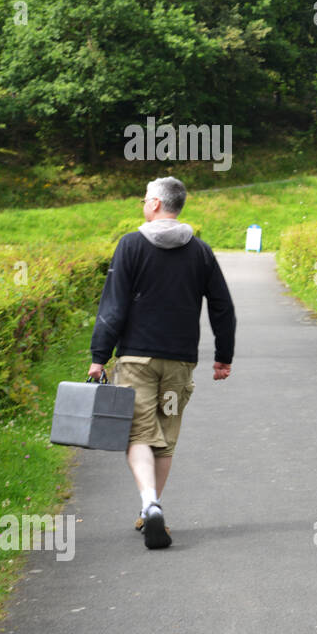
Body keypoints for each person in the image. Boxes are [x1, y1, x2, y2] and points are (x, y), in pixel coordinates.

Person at [88, 177, 236, 549]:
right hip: (179, 362)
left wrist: (98, 356)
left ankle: (149, 502)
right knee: (165, 439)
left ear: (155, 203)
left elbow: (114, 305)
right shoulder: (201, 251)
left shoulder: (130, 245)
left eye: (144, 198)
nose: (143, 203)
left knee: (137, 433)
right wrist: (223, 356)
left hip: (137, 359)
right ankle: (151, 509)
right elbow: (222, 306)